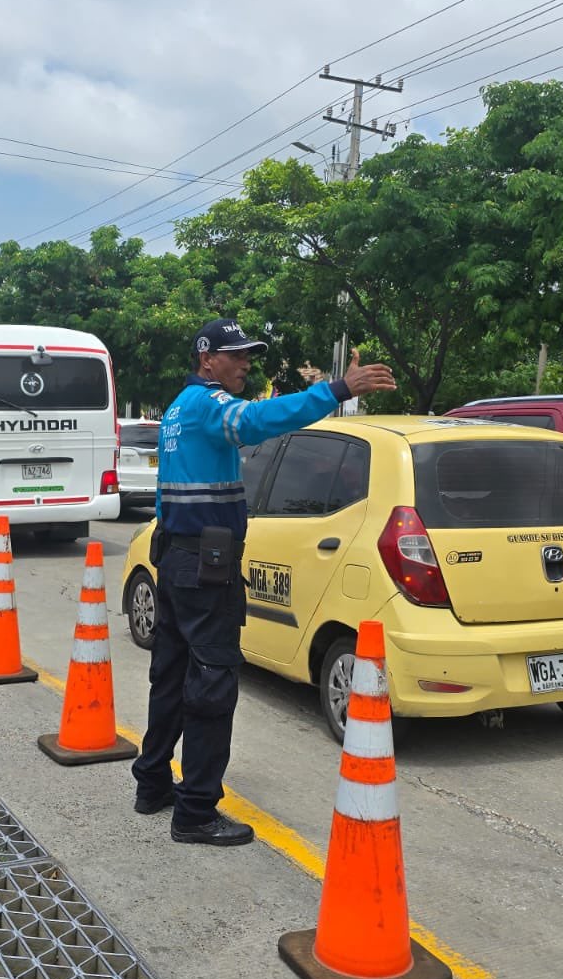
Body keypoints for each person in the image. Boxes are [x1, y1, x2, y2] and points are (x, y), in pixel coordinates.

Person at [132, 319, 397, 846]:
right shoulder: (209, 406)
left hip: (178, 560)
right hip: (207, 568)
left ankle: (153, 782)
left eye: (249, 355)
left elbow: (166, 494)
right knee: (211, 684)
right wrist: (338, 388)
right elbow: (260, 420)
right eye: (237, 356)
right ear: (207, 359)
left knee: (170, 677)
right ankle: (196, 811)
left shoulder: (178, 410)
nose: (247, 364)